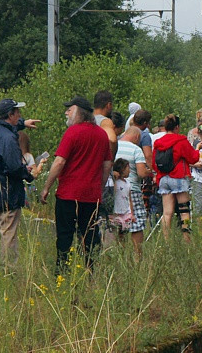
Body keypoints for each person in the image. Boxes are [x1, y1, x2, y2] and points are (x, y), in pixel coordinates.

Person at [40, 96, 112, 273]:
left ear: (79, 112)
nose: (66, 112)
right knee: (90, 237)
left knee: (65, 235)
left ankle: (62, 273)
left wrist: (46, 187)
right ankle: (90, 273)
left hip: (68, 194)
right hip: (91, 196)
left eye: (69, 109)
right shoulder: (101, 134)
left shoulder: (72, 132)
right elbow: (107, 165)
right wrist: (100, 187)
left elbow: (59, 162)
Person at [0, 99, 37, 267]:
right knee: (8, 235)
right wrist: (30, 174)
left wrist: (23, 123)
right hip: (7, 194)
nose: (20, 115)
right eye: (17, 112)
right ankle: (8, 271)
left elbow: (5, 128)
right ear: (10, 115)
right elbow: (13, 167)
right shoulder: (10, 138)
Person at [152, 114, 200, 241]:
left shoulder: (158, 143)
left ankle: (166, 241)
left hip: (163, 178)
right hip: (178, 178)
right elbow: (193, 158)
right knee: (184, 210)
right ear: (177, 127)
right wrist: (197, 150)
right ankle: (186, 239)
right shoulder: (181, 141)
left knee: (167, 213)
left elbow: (153, 163)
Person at [115, 127, 150, 257]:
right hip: (132, 189)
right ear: (136, 137)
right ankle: (137, 256)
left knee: (119, 223)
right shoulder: (136, 149)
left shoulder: (114, 145)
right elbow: (141, 172)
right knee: (136, 223)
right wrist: (148, 172)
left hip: (114, 190)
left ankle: (120, 255)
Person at [108, 158, 134, 246]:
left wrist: (132, 213)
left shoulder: (128, 183)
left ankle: (123, 252)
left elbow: (129, 198)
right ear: (122, 169)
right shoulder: (115, 182)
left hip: (126, 213)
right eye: (128, 168)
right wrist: (114, 176)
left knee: (124, 236)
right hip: (116, 213)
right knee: (114, 236)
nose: (129, 171)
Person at [93, 90, 118, 160]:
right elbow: (112, 140)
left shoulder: (84, 119)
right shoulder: (105, 121)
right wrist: (110, 159)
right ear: (109, 105)